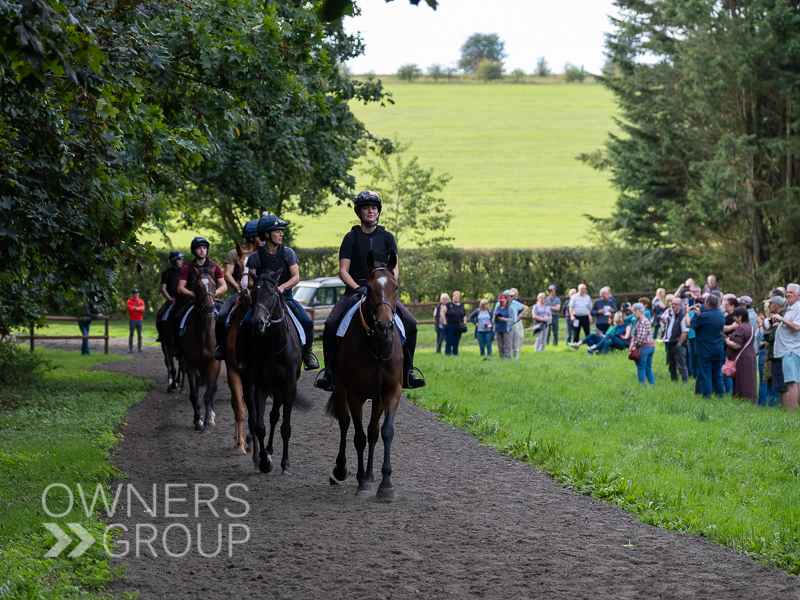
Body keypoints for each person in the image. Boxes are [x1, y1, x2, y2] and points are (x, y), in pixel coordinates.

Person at [315, 190, 424, 391]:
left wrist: (387, 286)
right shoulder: (351, 237)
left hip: (382, 292)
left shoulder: (387, 237)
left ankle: (408, 372)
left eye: (374, 207)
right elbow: (343, 271)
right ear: (359, 212)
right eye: (366, 208)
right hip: (355, 291)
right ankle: (329, 373)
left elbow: (395, 267)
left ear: (378, 211)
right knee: (331, 324)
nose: (371, 211)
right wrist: (358, 288)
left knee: (411, 323)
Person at [238, 215, 318, 371]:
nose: (282, 234)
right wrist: (266, 288)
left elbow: (296, 277)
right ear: (267, 234)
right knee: (246, 324)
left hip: (285, 298)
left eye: (282, 231)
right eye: (278, 231)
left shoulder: (288, 253)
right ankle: (246, 358)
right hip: (263, 301)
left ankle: (307, 355)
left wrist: (281, 288)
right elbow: (252, 282)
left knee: (307, 323)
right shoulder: (255, 257)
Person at [173, 237, 227, 357]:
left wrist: (212, 295)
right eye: (199, 248)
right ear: (194, 251)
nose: (202, 251)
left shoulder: (215, 266)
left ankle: (222, 346)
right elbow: (180, 288)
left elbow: (224, 286)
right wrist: (193, 295)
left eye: (204, 248)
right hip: (194, 301)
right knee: (177, 317)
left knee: (223, 318)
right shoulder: (187, 268)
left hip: (212, 300)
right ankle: (177, 346)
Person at [213, 220, 258, 360]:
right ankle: (221, 347)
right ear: (252, 237)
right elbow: (227, 274)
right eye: (260, 236)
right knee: (221, 316)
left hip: (258, 293)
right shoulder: (234, 253)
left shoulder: (261, 253)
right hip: (239, 292)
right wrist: (238, 288)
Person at [690, 293, 725, 397]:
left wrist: (688, 312)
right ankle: (720, 397)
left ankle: (707, 397)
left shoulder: (704, 316)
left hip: (704, 350)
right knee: (717, 376)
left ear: (708, 303)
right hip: (718, 349)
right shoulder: (721, 315)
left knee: (706, 376)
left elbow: (691, 324)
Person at [771, 283, 800, 412]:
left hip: (790, 350)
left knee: (791, 382)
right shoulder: (791, 308)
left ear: (798, 295)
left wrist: (781, 319)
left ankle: (793, 414)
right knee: (795, 382)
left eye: (791, 292)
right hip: (787, 350)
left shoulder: (798, 307)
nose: (787, 294)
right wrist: (780, 325)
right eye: (787, 292)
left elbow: (797, 327)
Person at [758, 294, 787, 406]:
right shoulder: (777, 318)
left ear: (775, 305)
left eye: (770, 304)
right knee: (778, 383)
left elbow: (769, 337)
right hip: (778, 353)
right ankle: (781, 408)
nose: (768, 306)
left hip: (778, 354)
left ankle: (784, 409)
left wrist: (764, 326)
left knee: (781, 384)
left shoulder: (781, 318)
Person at [724, 307, 757, 403]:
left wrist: (727, 341)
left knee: (741, 379)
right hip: (749, 356)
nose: (733, 318)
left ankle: (742, 400)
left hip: (743, 359)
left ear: (740, 317)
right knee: (749, 380)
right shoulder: (749, 326)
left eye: (735, 316)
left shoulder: (742, 328)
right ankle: (750, 400)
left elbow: (737, 345)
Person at [156, 251, 184, 342]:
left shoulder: (185, 272)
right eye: (179, 259)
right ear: (174, 261)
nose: (181, 261)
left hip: (184, 300)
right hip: (171, 300)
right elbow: (163, 288)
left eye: (182, 259)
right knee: (160, 314)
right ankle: (161, 335)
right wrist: (170, 299)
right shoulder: (167, 273)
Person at [663, 297, 689, 383]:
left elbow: (685, 332)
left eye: (676, 304)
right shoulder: (671, 315)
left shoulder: (682, 316)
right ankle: (674, 382)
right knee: (671, 365)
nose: (674, 306)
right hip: (670, 344)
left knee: (681, 366)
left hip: (678, 345)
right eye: (672, 304)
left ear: (681, 306)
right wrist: (665, 337)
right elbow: (668, 328)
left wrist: (679, 344)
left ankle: (685, 383)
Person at [630, 302, 655, 385]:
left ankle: (642, 386)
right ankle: (652, 385)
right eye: (633, 311)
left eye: (635, 311)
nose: (634, 313)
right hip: (651, 346)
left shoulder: (642, 321)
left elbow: (641, 337)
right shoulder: (645, 320)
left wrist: (635, 346)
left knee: (641, 368)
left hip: (645, 347)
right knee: (648, 368)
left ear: (641, 311)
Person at [441, 290, 467, 357]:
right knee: (449, 342)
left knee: (456, 342)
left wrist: (464, 323)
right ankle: (448, 354)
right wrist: (445, 323)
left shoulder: (461, 306)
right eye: (455, 296)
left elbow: (464, 315)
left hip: (458, 327)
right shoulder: (448, 305)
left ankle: (455, 354)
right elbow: (442, 313)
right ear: (452, 297)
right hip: (449, 325)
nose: (457, 298)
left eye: (458, 296)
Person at [508, 288, 529, 359]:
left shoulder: (518, 301)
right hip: (510, 323)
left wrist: (519, 316)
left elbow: (525, 308)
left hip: (518, 321)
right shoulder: (506, 302)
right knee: (512, 338)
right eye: (514, 293)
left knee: (521, 336)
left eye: (517, 293)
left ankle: (517, 351)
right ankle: (511, 354)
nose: (515, 295)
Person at [494, 294, 512, 359]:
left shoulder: (510, 308)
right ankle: (502, 357)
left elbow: (513, 319)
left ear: (506, 300)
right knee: (500, 345)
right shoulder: (497, 308)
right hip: (498, 328)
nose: (502, 302)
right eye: (501, 301)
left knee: (507, 344)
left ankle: (507, 358)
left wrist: (505, 319)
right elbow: (493, 317)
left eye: (503, 301)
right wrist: (495, 317)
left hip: (506, 328)